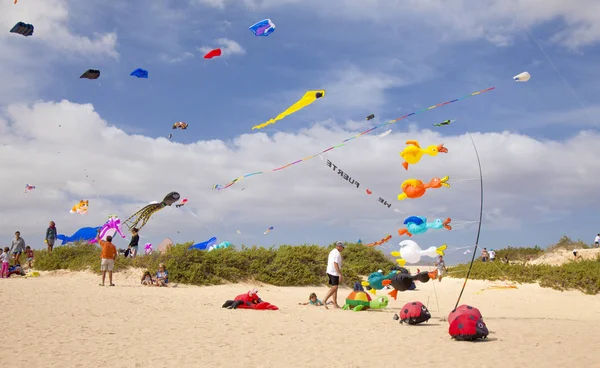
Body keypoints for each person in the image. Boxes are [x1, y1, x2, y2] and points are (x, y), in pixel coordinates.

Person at [323, 241, 344, 309]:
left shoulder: (332, 251)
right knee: (334, 287)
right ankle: (324, 300)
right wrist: (339, 274)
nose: (343, 249)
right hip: (333, 272)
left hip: (329, 271)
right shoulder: (337, 253)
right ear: (339, 246)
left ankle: (335, 304)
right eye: (342, 247)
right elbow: (335, 263)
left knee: (335, 287)